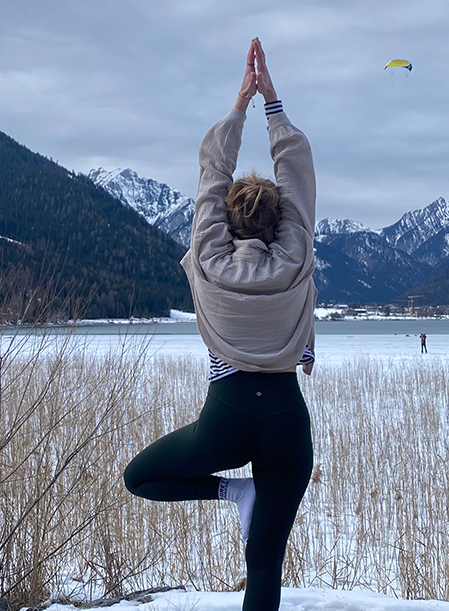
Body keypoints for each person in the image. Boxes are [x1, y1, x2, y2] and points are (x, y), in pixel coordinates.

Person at [123, 38, 317, 611]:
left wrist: (240, 106)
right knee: (265, 566)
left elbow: (213, 172)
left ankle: (235, 492)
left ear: (226, 222)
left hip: (224, 421)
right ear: (282, 222)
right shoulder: (295, 260)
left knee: (140, 478)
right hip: (286, 422)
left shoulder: (209, 262)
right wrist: (273, 106)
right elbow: (297, 176)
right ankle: (248, 496)